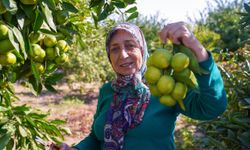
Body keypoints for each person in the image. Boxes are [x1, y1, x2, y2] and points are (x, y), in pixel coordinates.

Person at [58, 22, 227, 150]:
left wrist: (197, 50)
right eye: (115, 49)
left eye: (130, 45)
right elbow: (97, 138)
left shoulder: (164, 85)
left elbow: (212, 107)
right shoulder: (108, 90)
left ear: (143, 50)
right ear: (109, 56)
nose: (123, 55)